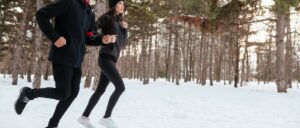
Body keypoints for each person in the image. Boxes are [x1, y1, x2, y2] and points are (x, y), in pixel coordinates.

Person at [14, 0, 115, 127]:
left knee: (72, 94)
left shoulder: (90, 14)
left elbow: (88, 38)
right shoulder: (69, 3)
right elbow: (41, 14)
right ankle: (28, 93)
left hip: (77, 60)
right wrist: (54, 37)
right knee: (63, 93)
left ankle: (53, 124)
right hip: (62, 56)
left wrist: (102, 40)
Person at [78, 0, 128, 128]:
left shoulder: (120, 22)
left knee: (100, 90)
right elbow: (91, 31)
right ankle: (106, 117)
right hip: (105, 58)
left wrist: (125, 30)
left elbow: (123, 44)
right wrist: (103, 37)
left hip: (112, 59)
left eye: (123, 4)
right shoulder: (107, 18)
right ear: (114, 5)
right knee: (120, 87)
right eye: (120, 3)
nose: (122, 6)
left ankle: (84, 117)